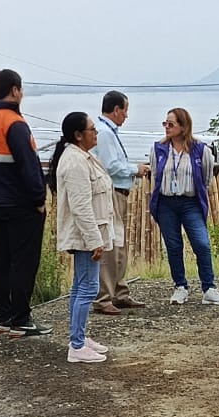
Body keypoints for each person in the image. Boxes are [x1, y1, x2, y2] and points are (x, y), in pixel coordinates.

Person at [0, 69, 51, 337]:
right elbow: (29, 166)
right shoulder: (14, 123)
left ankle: (3, 317)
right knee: (23, 261)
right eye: (21, 89)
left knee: (1, 260)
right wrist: (39, 199)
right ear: (15, 90)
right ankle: (21, 319)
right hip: (21, 204)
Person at [51, 112, 120, 363]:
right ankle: (77, 345)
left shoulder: (83, 157)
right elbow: (80, 206)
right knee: (88, 288)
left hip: (89, 233)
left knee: (80, 286)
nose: (96, 132)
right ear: (79, 135)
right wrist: (94, 240)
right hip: (85, 236)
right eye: (92, 129)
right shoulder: (75, 162)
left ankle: (78, 336)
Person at [148, 108, 219, 306]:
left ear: (183, 126)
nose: (167, 128)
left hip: (190, 202)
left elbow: (206, 177)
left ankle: (209, 288)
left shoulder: (200, 150)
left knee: (201, 243)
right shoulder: (159, 149)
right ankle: (180, 287)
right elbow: (155, 174)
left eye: (171, 124)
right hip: (166, 202)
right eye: (165, 124)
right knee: (173, 246)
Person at [90, 90, 150, 316]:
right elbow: (111, 166)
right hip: (111, 192)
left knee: (119, 242)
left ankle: (119, 292)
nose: (126, 115)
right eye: (125, 110)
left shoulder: (107, 131)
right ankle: (104, 297)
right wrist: (135, 169)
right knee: (111, 244)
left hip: (118, 191)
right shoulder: (105, 133)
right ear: (116, 110)